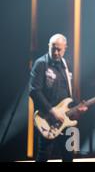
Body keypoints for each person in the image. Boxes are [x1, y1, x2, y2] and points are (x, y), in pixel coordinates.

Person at [29, 33, 87, 162]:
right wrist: (52, 111)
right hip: (47, 118)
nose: (56, 52)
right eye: (53, 48)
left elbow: (69, 94)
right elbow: (34, 91)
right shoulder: (41, 64)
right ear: (49, 46)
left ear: (65, 48)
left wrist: (78, 106)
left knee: (69, 156)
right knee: (44, 155)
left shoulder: (67, 66)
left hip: (67, 119)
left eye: (59, 49)